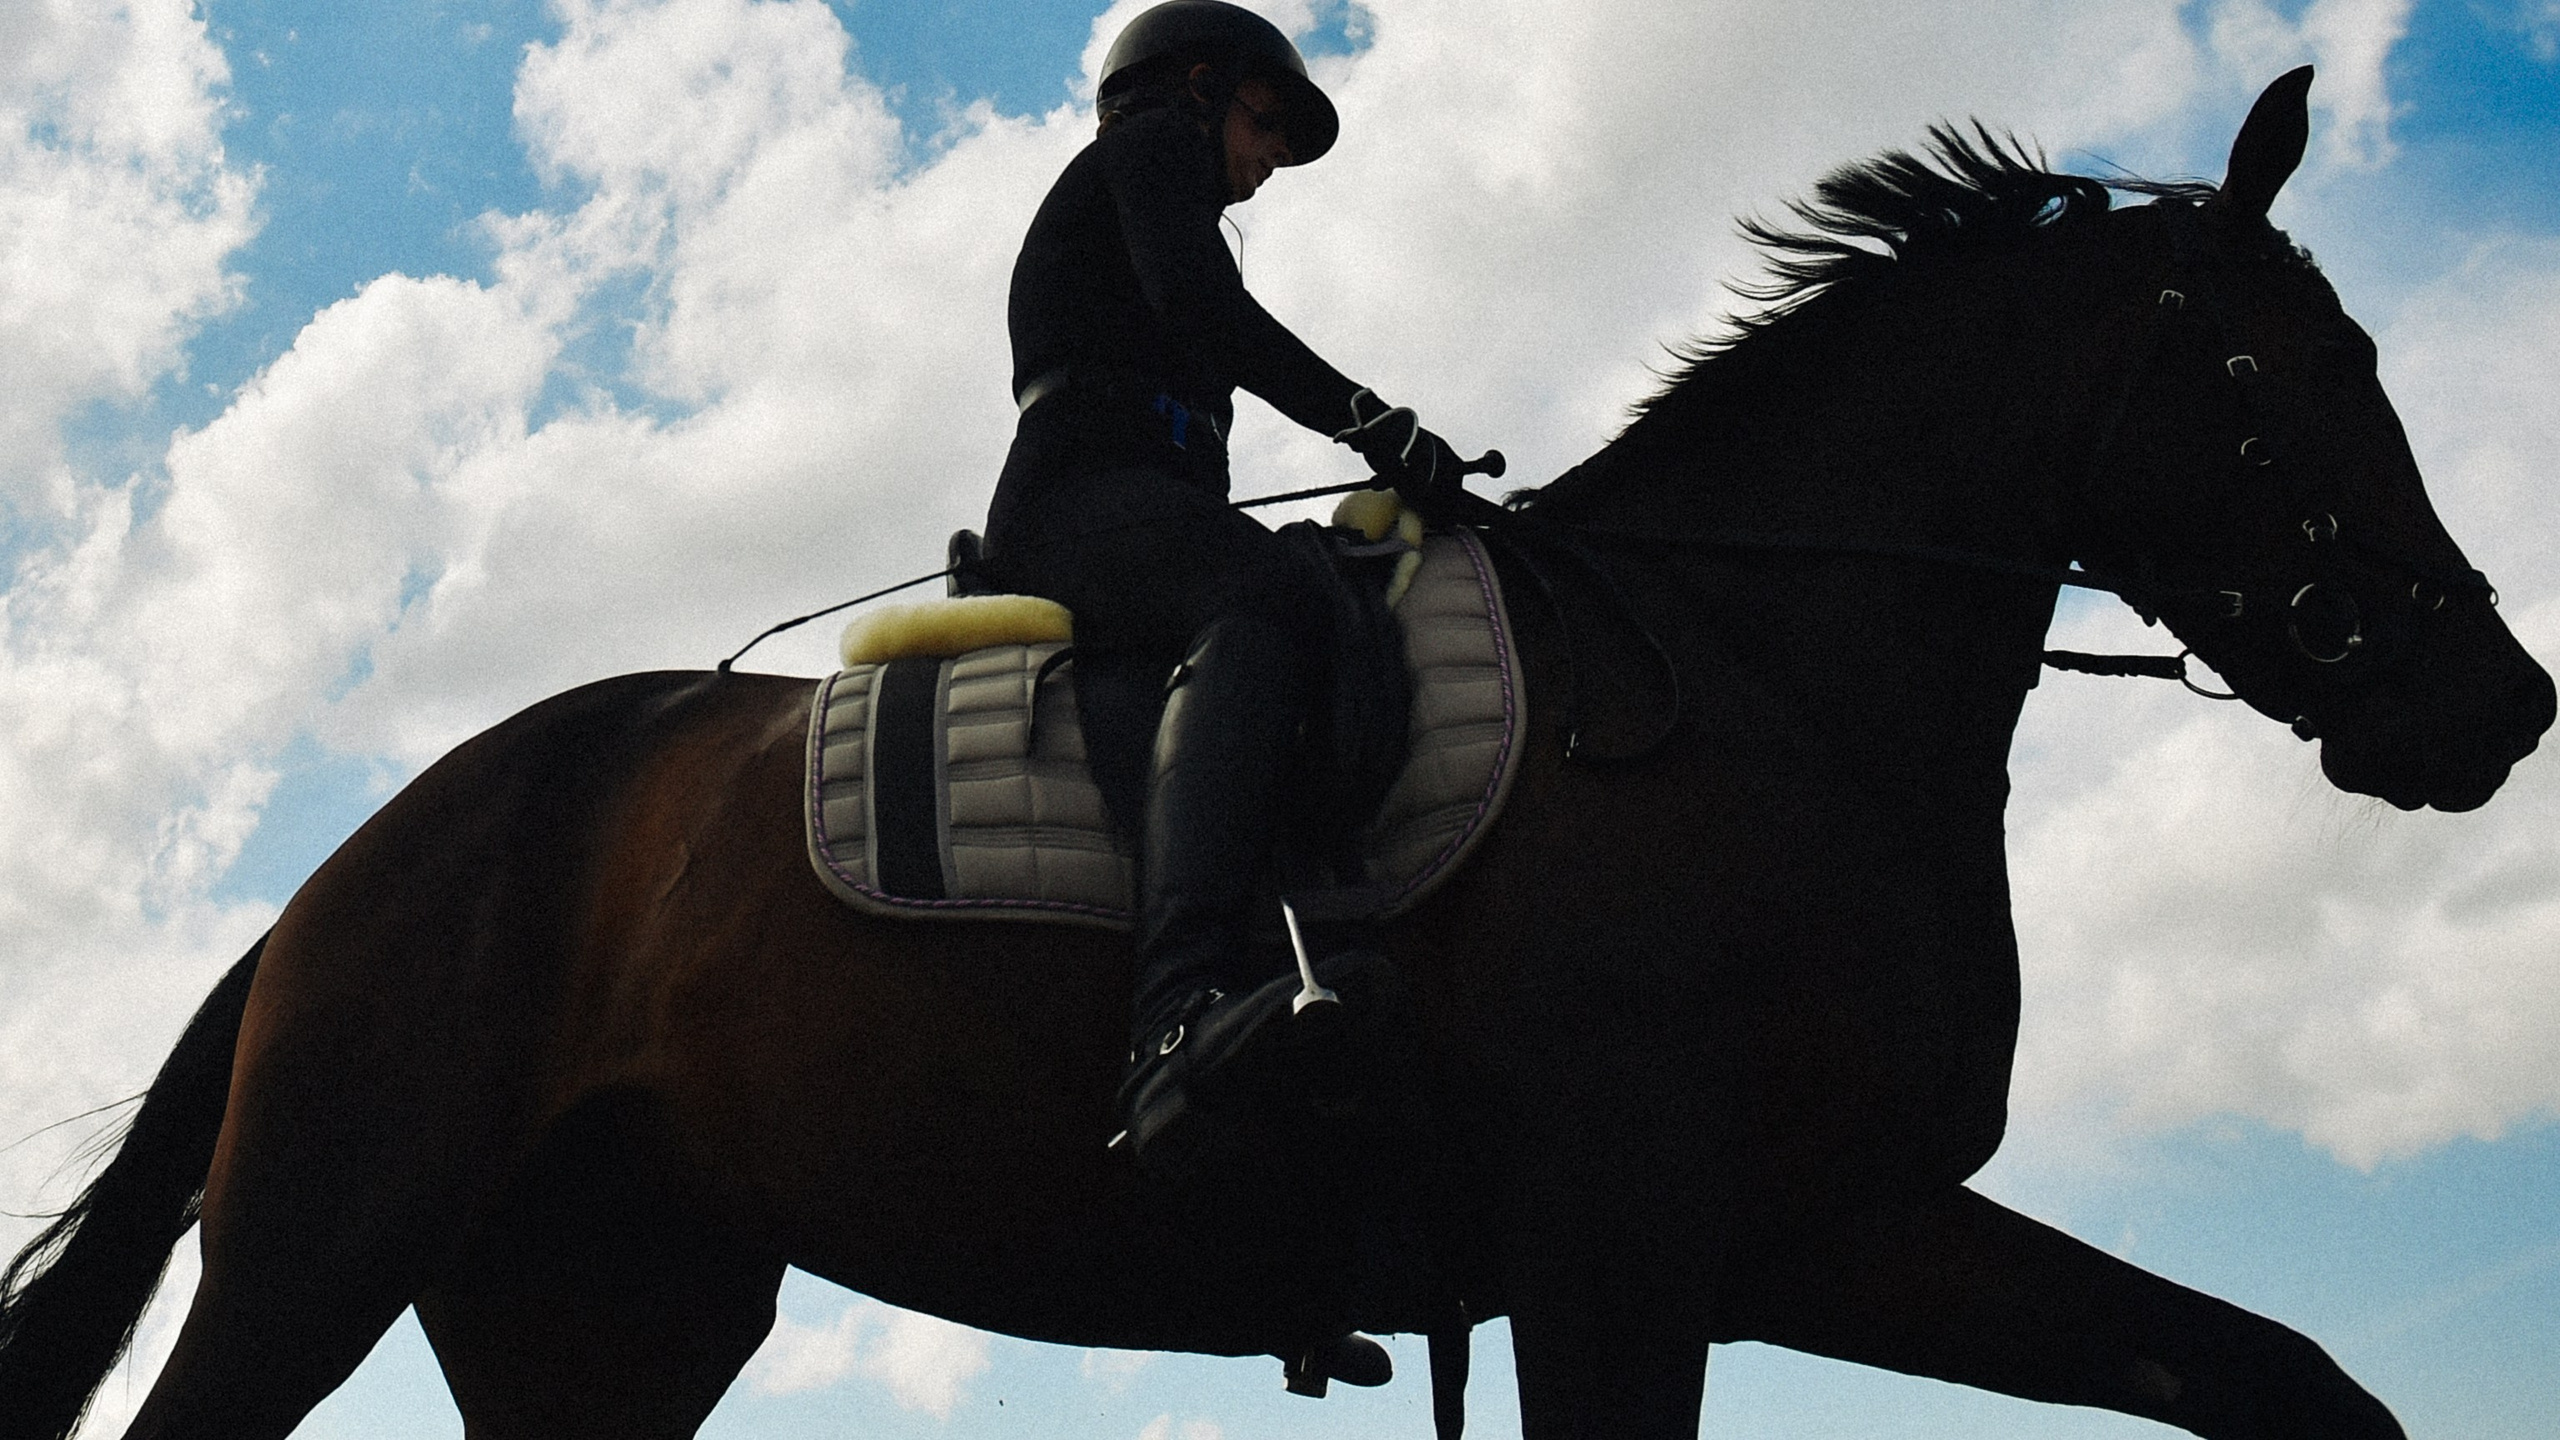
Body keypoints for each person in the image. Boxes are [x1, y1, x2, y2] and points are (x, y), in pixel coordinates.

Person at [982, 0, 1468, 1182]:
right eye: (1265, 124)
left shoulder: (1173, 191)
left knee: (1312, 589)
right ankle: (1174, 1012)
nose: (1266, 162)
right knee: (1265, 598)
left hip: (1147, 507)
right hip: (1073, 505)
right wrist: (1370, 420)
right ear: (1195, 87)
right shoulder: (1143, 152)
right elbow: (1204, 308)